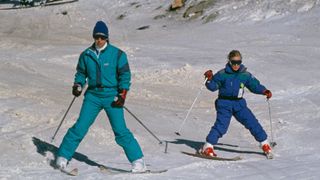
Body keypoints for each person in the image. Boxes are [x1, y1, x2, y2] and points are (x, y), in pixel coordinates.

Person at [55, 21, 147, 172]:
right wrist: (78, 84)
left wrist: (122, 94)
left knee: (120, 130)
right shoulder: (86, 55)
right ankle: (63, 156)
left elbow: (125, 75)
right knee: (80, 127)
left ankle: (138, 161)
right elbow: (81, 73)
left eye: (102, 37)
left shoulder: (117, 55)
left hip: (112, 96)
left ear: (107, 38)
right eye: (97, 37)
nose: (99, 40)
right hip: (93, 96)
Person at [201, 50, 273, 157]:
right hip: (224, 103)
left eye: (238, 62)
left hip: (239, 104)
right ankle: (208, 146)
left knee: (252, 122)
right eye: (233, 62)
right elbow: (213, 87)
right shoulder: (222, 74)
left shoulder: (245, 75)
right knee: (222, 126)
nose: (236, 65)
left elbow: (254, 85)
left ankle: (264, 144)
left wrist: (264, 91)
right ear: (229, 61)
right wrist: (209, 79)